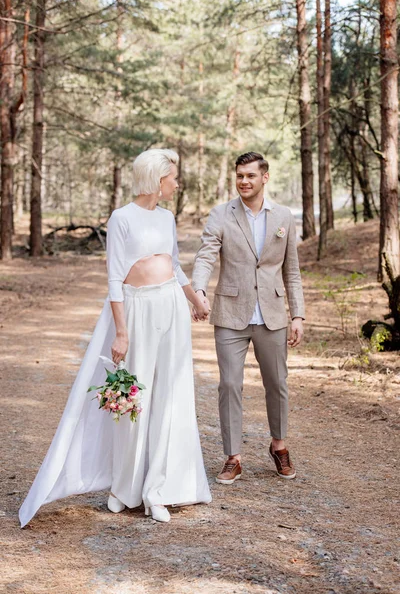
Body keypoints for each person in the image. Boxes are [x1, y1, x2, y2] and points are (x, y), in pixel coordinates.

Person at [19, 149, 212, 527]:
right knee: (133, 400)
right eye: (173, 176)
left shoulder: (168, 217)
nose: (177, 182)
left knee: (169, 398)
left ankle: (157, 490)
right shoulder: (122, 218)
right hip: (137, 311)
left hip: (171, 307)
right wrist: (121, 331)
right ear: (158, 180)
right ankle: (124, 488)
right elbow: (114, 278)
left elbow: (175, 266)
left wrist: (195, 301)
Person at [191, 151, 305, 485]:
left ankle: (279, 445)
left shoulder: (283, 216)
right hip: (230, 314)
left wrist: (297, 313)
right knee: (229, 384)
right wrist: (197, 289)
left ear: (264, 177)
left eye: (250, 176)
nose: (244, 181)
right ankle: (233, 456)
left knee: (277, 383)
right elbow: (206, 254)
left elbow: (292, 270)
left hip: (272, 314)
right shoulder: (221, 214)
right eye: (239, 176)